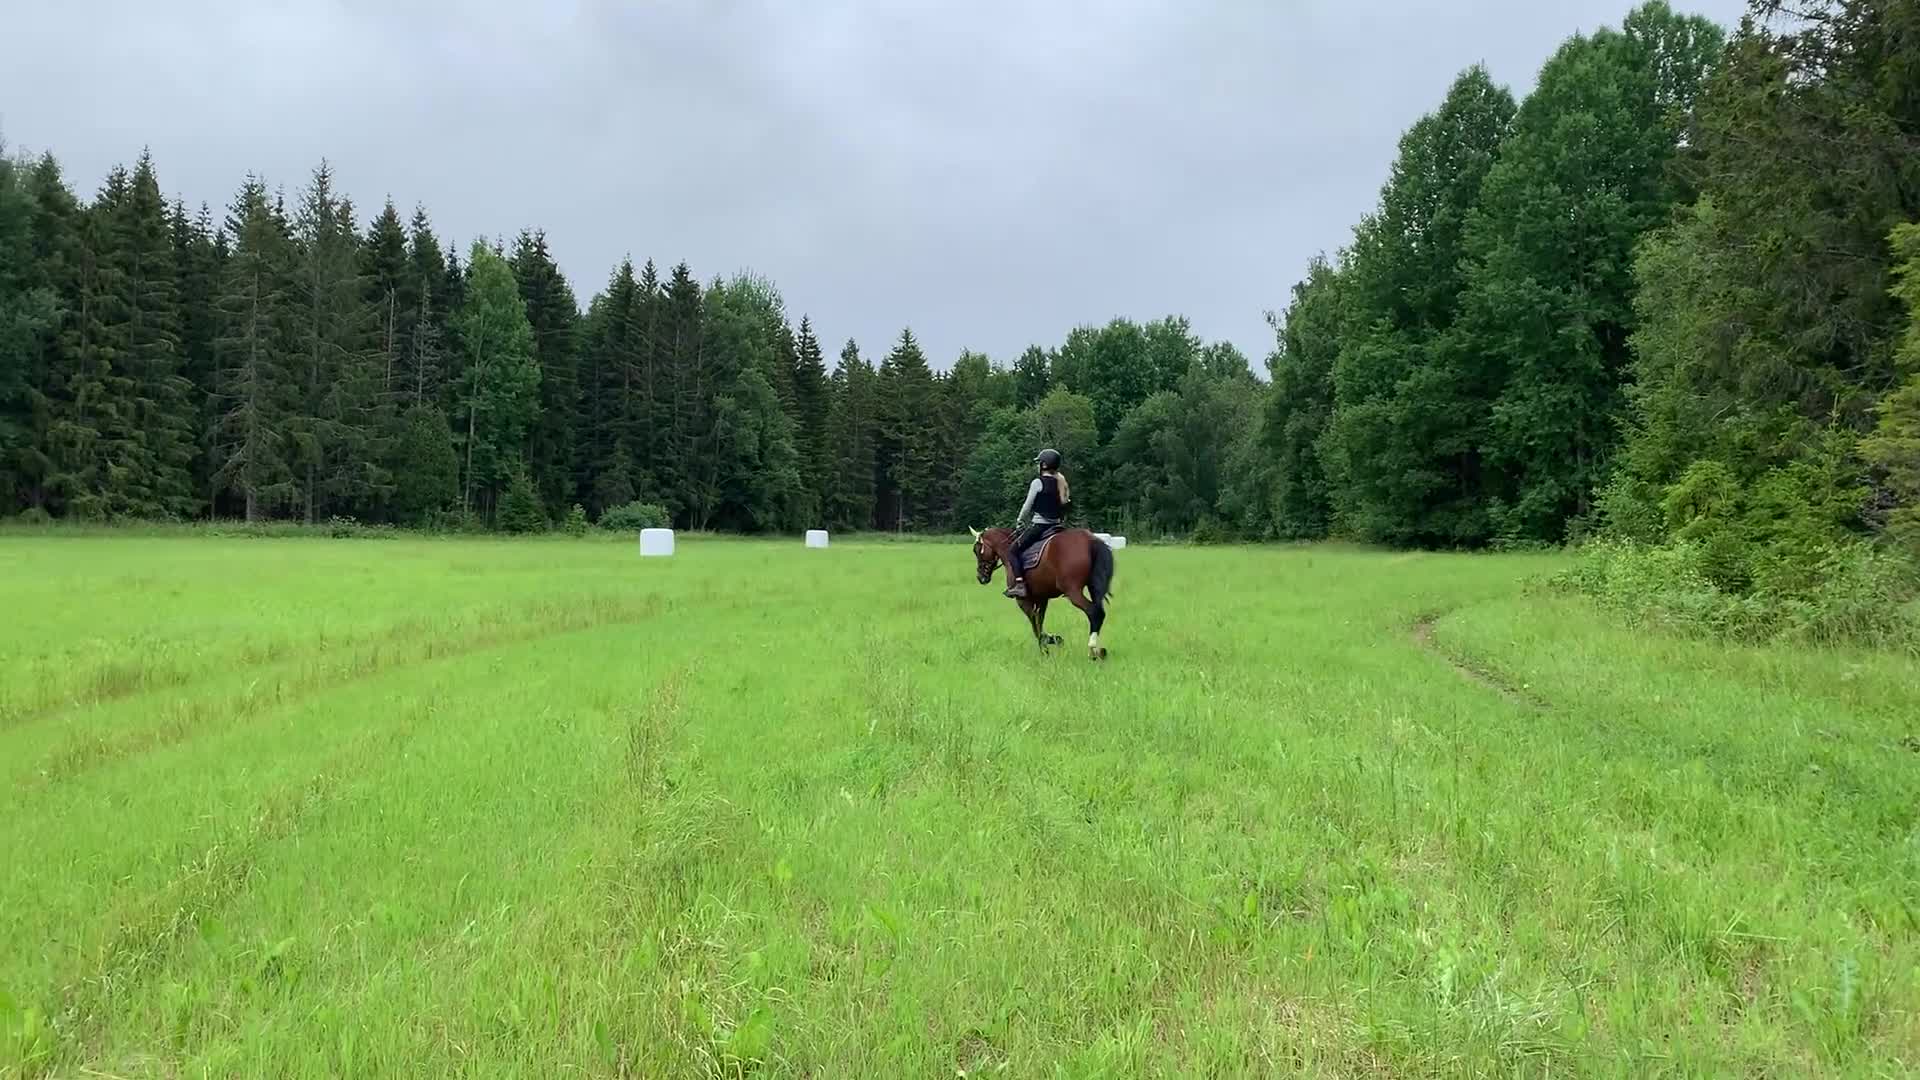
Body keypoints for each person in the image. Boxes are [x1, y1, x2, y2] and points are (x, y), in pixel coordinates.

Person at [1005, 448, 1070, 598]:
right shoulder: (1061, 483)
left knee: (1012, 551)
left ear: (1044, 465)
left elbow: (1027, 506)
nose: (1038, 465)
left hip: (1040, 526)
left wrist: (1020, 521)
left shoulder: (1037, 482)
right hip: (1057, 526)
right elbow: (1065, 505)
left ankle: (1020, 584)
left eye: (1039, 463)